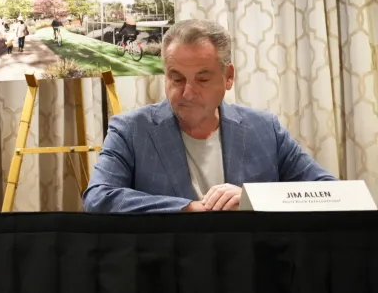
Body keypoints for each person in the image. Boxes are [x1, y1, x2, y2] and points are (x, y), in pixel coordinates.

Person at [83, 19, 334, 213]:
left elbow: (329, 192)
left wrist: (252, 199)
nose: (188, 92)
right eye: (176, 78)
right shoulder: (130, 129)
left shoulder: (265, 128)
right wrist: (186, 208)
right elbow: (98, 197)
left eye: (202, 79)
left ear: (229, 77)